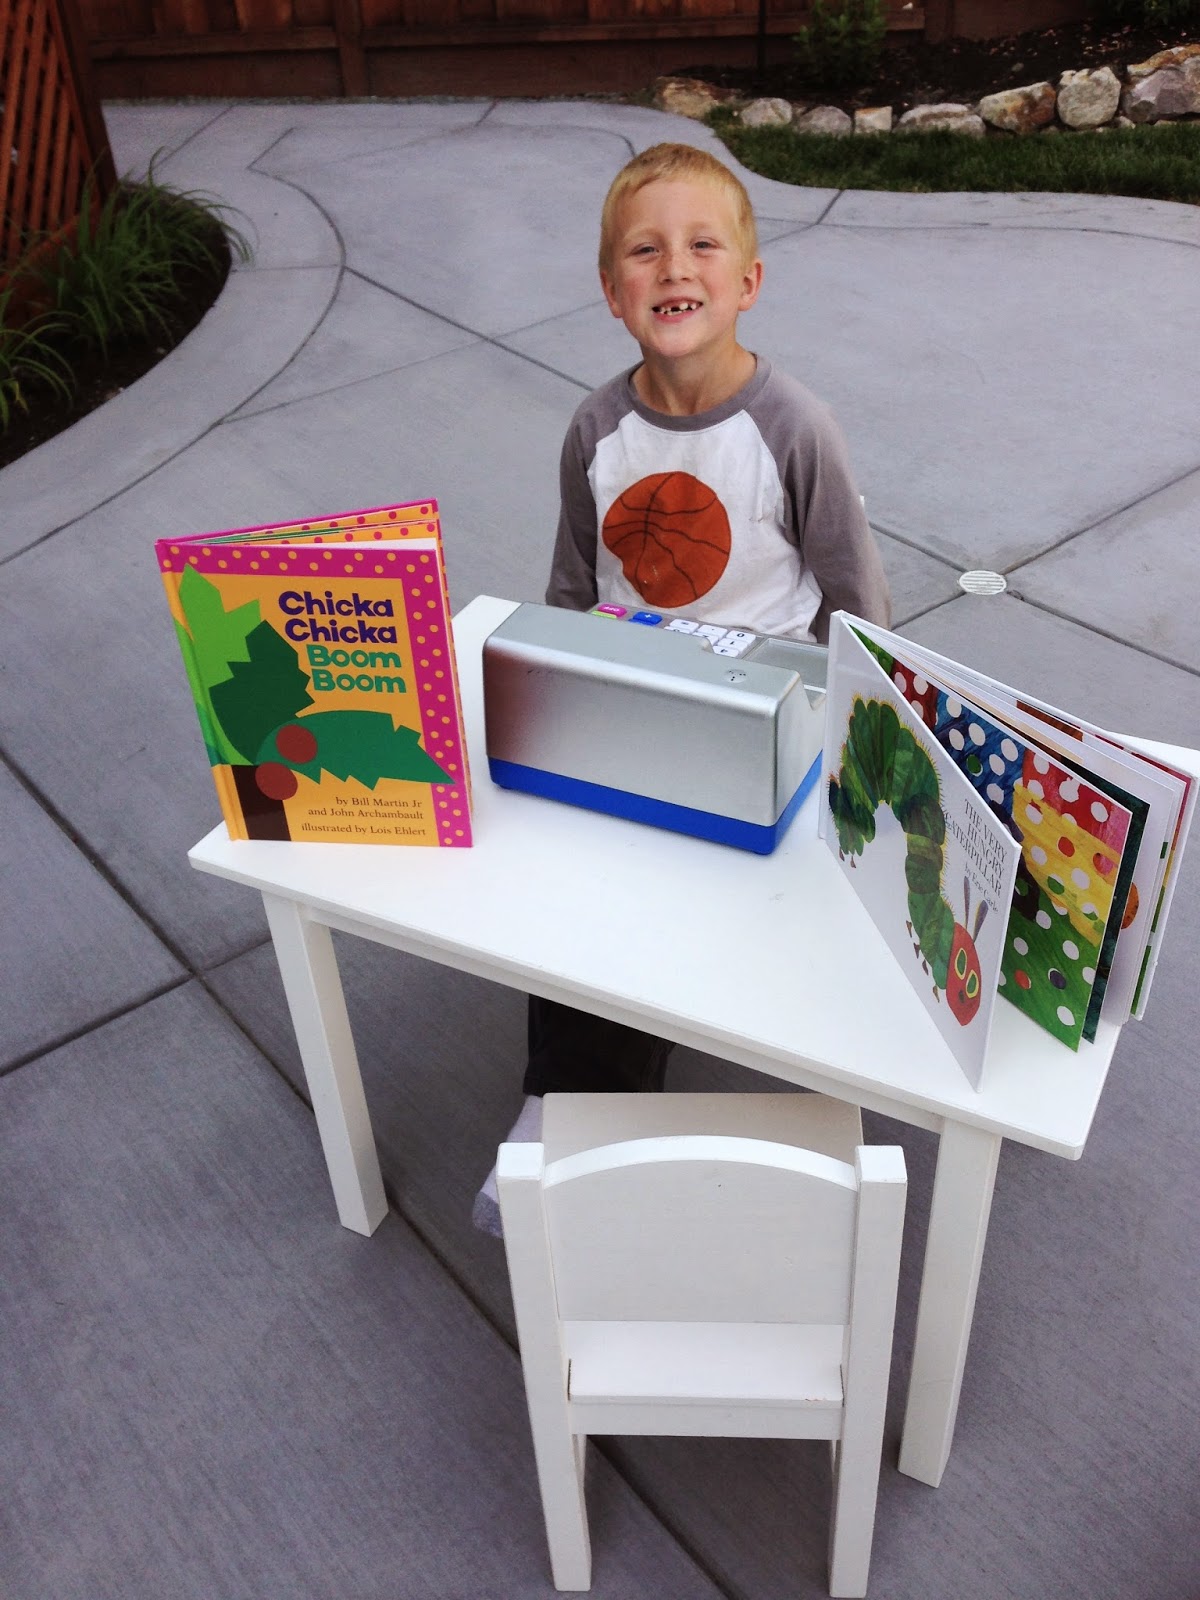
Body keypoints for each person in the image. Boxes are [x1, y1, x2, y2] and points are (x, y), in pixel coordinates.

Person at [472, 141, 891, 1234]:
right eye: (644, 251)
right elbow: (571, 590)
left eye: (702, 244)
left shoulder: (792, 428)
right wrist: (550, 701)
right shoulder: (595, 431)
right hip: (638, 703)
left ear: (748, 281)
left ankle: (831, 1102)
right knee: (581, 888)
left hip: (774, 720)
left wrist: (859, 737)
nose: (674, 267)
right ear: (614, 292)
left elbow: (856, 605)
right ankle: (554, 1111)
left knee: (781, 922)